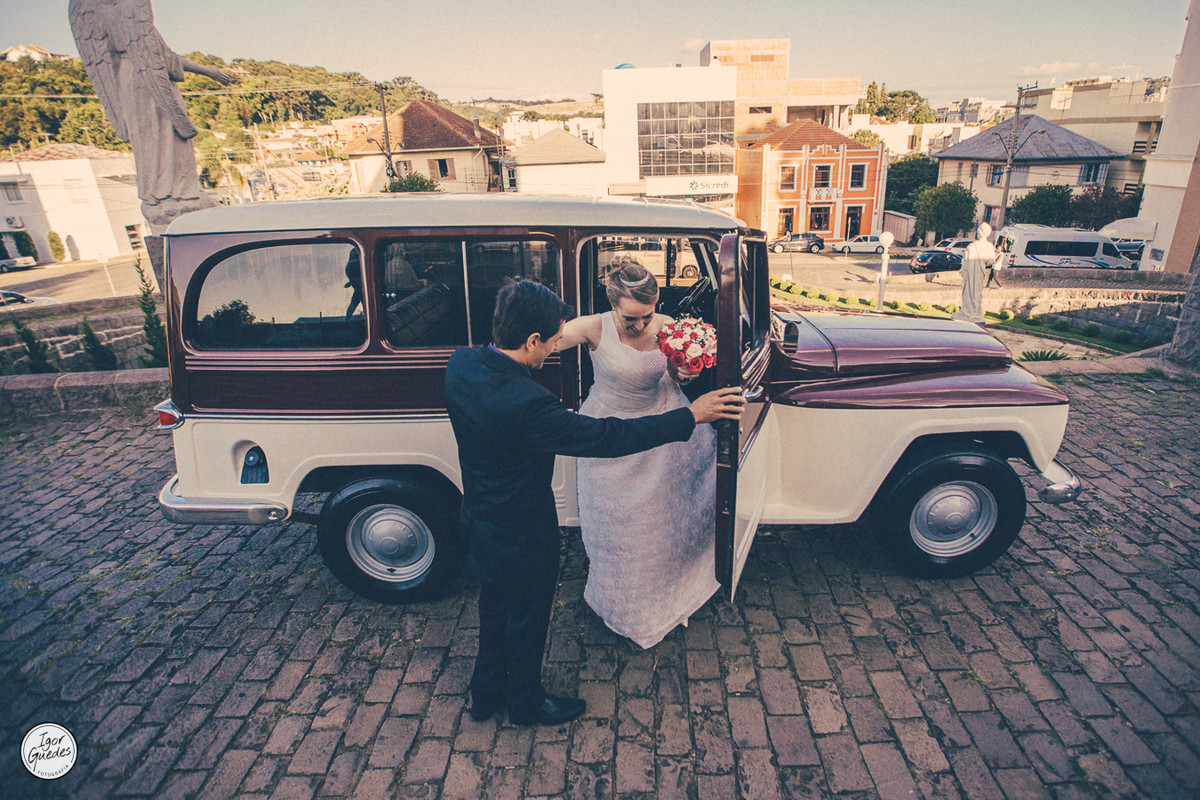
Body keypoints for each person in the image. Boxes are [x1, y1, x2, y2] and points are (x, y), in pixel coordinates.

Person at [445, 279, 744, 726]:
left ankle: (485, 693)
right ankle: (524, 703)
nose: (555, 348)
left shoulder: (462, 365)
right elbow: (608, 437)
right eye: (552, 341)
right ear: (531, 340)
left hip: (480, 520)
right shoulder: (530, 404)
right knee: (526, 619)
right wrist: (692, 415)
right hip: (523, 533)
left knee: (494, 608)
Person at [555, 258, 717, 648]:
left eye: (647, 315)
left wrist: (686, 371)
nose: (642, 325)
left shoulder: (669, 327)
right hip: (610, 434)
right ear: (612, 305)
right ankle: (624, 607)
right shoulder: (592, 327)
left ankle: (669, 595)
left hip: (663, 431)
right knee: (618, 529)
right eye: (631, 318)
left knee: (660, 524)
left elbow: (674, 376)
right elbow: (545, 341)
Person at [952, 222, 996, 324]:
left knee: (969, 292)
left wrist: (964, 270)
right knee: (977, 293)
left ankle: (967, 312)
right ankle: (975, 312)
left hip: (970, 273)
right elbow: (991, 261)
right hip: (980, 272)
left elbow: (966, 262)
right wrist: (982, 263)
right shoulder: (989, 246)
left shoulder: (972, 246)